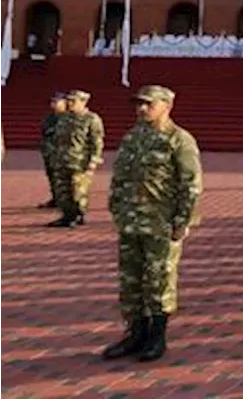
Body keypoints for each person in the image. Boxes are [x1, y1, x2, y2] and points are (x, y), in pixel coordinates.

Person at [102, 85, 202, 362]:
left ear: (166, 105)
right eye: (138, 104)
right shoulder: (132, 138)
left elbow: (191, 184)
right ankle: (135, 334)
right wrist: (117, 211)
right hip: (131, 223)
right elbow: (119, 178)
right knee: (130, 280)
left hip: (161, 224)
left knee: (158, 280)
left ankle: (157, 337)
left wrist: (183, 221)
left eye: (148, 104)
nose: (141, 108)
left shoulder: (179, 140)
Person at [49, 89, 105, 227]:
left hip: (80, 162)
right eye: (68, 101)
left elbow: (96, 142)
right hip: (61, 161)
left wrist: (93, 162)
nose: (70, 103)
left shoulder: (91, 119)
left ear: (84, 102)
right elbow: (56, 139)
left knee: (78, 192)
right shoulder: (63, 118)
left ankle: (78, 215)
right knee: (62, 191)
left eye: (73, 101)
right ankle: (66, 216)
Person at [38, 91, 67, 209]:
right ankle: (55, 198)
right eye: (52, 102)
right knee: (52, 176)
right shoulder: (49, 118)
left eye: (56, 101)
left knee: (63, 178)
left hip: (63, 152)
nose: (53, 104)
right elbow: (44, 131)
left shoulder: (68, 118)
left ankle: (65, 201)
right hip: (49, 152)